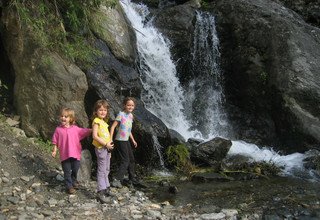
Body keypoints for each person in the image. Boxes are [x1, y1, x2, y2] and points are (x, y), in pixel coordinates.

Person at [52, 107, 92, 194]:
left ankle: (73, 181)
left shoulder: (75, 129)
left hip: (75, 153)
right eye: (62, 116)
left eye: (66, 117)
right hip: (64, 155)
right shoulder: (58, 130)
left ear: (71, 119)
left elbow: (84, 131)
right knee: (66, 171)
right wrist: (54, 151)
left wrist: (93, 130)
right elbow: (55, 141)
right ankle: (69, 186)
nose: (63, 118)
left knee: (75, 169)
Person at [109, 97, 140, 188]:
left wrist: (133, 140)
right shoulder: (121, 114)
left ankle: (132, 178)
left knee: (131, 159)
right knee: (125, 160)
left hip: (126, 140)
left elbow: (128, 129)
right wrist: (111, 139)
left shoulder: (131, 116)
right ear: (124, 105)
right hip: (120, 140)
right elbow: (113, 127)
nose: (130, 107)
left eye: (132, 105)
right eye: (128, 105)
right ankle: (117, 179)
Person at [91, 100, 114, 203]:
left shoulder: (104, 122)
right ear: (96, 111)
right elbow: (95, 136)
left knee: (107, 169)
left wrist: (109, 147)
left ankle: (107, 187)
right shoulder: (96, 121)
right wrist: (105, 144)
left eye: (105, 110)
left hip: (107, 149)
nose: (103, 112)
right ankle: (101, 190)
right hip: (101, 148)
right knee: (101, 169)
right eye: (100, 110)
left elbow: (107, 136)